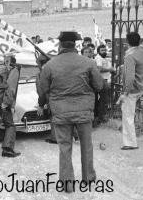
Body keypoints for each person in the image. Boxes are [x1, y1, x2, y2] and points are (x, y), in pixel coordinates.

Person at [40, 31, 103, 192]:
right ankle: (88, 179)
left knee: (65, 147)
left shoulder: (49, 65)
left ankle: (67, 184)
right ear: (75, 45)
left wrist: (44, 104)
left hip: (60, 112)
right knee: (86, 146)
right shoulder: (88, 63)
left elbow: (43, 90)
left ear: (60, 45)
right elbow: (99, 86)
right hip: (84, 111)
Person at [117, 32, 143, 150]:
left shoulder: (129, 56)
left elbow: (130, 77)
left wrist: (124, 93)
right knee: (129, 114)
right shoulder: (142, 49)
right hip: (142, 86)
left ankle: (130, 143)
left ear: (127, 42)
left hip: (133, 90)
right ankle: (130, 140)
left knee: (127, 116)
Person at [94, 45, 115, 125]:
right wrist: (110, 69)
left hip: (107, 80)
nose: (104, 51)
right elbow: (99, 69)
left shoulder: (105, 58)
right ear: (98, 51)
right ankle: (101, 117)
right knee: (104, 99)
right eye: (102, 50)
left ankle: (101, 116)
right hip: (102, 80)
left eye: (105, 50)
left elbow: (111, 68)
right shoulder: (98, 58)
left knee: (105, 99)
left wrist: (112, 70)